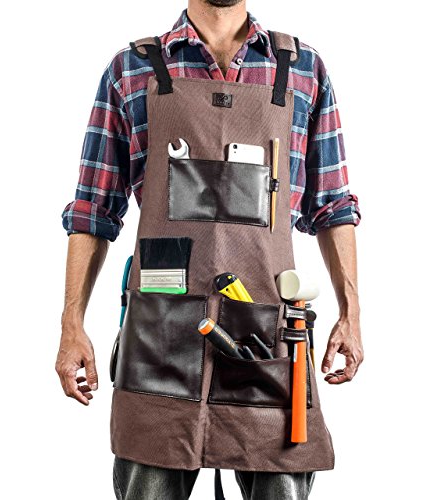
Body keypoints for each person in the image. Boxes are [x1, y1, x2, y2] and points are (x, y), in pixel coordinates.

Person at [56, 1, 364, 499]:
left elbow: (332, 206)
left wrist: (351, 314)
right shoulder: (130, 70)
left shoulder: (303, 69)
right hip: (160, 342)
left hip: (268, 338)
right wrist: (71, 326)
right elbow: (93, 210)